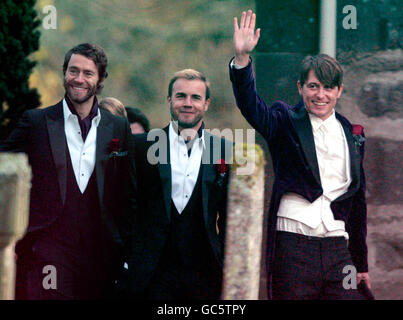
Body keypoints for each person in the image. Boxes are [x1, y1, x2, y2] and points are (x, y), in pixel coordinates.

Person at [229, 10, 370, 300]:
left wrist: (361, 263)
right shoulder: (284, 120)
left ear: (339, 91)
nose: (321, 95)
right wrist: (242, 60)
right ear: (300, 88)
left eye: (328, 87)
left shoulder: (353, 133)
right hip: (293, 247)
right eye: (313, 86)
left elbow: (357, 202)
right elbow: (251, 106)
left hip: (337, 250)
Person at [0, 43, 133, 299]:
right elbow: (5, 166)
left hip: (101, 257)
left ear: (101, 79)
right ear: (64, 73)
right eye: (73, 71)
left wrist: (126, 251)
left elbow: (129, 195)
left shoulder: (118, 128)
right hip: (47, 253)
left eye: (88, 73)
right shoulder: (36, 122)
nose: (79, 79)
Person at [122, 69, 232, 300]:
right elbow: (125, 206)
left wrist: (222, 259)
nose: (188, 103)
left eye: (196, 97)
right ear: (169, 100)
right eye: (181, 96)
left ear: (207, 103)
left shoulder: (224, 150)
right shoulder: (142, 146)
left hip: (205, 276)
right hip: (150, 275)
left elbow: (230, 215)